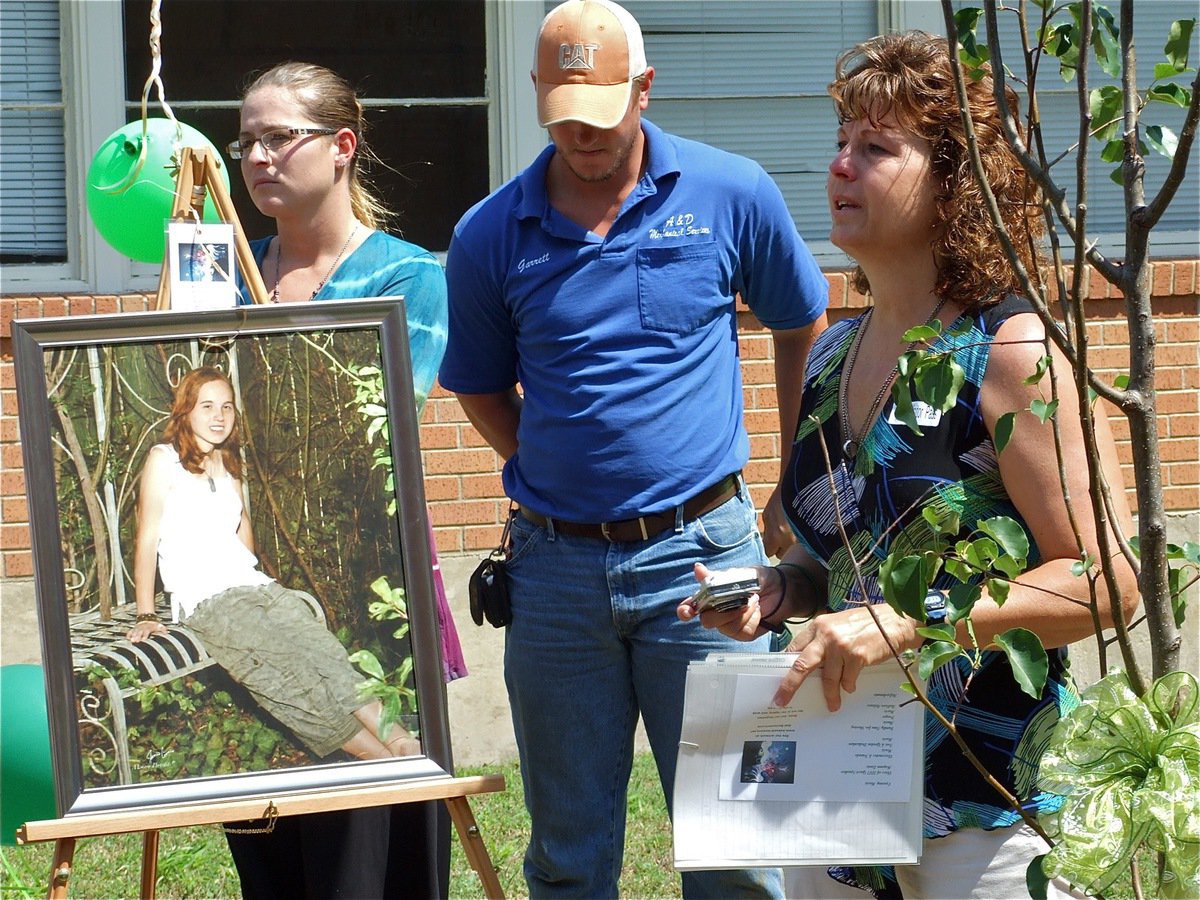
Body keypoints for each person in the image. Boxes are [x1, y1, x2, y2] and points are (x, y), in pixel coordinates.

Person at [678, 31, 1138, 899]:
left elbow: (1107, 580)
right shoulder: (830, 355)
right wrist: (781, 589)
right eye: (841, 143)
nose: (841, 166)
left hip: (983, 802)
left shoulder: (1012, 352)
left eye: (877, 147)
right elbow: (835, 562)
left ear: (954, 183)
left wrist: (916, 618)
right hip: (836, 786)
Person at [438, 1, 828, 895]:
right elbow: (481, 388)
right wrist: (553, 471)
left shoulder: (731, 192)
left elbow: (801, 320)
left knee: (741, 847)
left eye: (603, 112)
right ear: (536, 92)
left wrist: (788, 476)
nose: (582, 134)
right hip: (554, 574)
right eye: (562, 112)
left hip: (708, 561)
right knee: (569, 857)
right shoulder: (489, 234)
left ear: (646, 88)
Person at [223, 60, 461, 899]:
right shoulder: (220, 272)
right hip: (243, 599)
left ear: (342, 147)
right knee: (269, 857)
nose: (256, 158)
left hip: (361, 602)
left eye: (279, 137)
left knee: (364, 860)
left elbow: (371, 429)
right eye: (245, 139)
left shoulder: (407, 276)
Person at [129, 366, 422, 761]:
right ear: (186, 412)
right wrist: (145, 612)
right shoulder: (164, 460)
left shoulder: (228, 461)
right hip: (210, 602)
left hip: (256, 588)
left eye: (227, 407)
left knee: (323, 651)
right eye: (208, 406)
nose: (219, 416)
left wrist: (257, 577)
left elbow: (240, 527)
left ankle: (402, 742)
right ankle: (383, 761)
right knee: (289, 680)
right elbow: (147, 538)